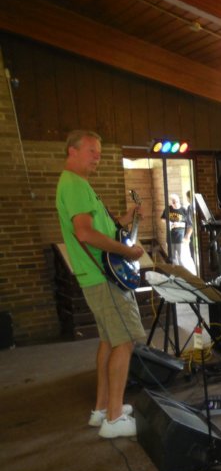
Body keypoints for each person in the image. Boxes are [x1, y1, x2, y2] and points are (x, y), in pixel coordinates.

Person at [56, 130, 146, 438]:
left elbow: (101, 228)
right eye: (91, 151)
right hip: (105, 277)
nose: (97, 157)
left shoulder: (75, 184)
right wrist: (128, 251)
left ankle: (103, 409)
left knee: (109, 340)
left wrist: (125, 218)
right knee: (125, 341)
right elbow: (85, 233)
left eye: (99, 152)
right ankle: (115, 419)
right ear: (72, 151)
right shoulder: (74, 184)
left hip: (95, 276)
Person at [161, 192, 194, 271]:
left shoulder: (184, 210)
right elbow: (162, 219)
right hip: (170, 237)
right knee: (173, 258)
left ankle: (185, 273)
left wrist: (178, 224)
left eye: (176, 202)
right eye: (173, 202)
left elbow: (189, 224)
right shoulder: (168, 209)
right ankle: (176, 273)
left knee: (182, 258)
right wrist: (169, 223)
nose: (174, 204)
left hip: (180, 237)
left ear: (178, 201)